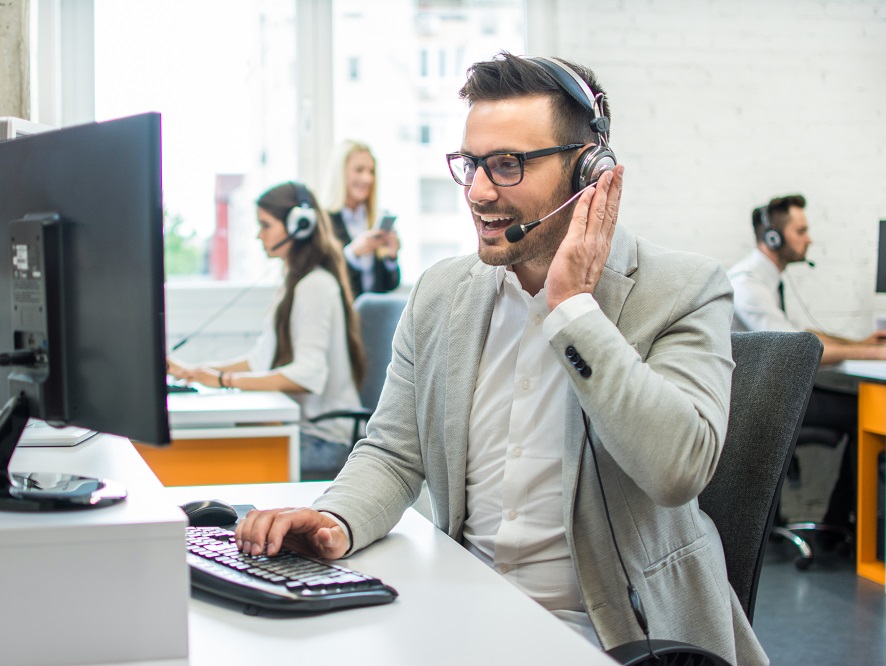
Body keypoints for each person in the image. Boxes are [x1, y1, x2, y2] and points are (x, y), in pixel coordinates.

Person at [236, 53, 767, 664]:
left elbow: (678, 470)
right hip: (459, 608)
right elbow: (391, 453)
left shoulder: (682, 290)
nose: (479, 192)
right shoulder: (441, 295)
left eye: (508, 164)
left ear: (589, 173)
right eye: (471, 164)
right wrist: (333, 521)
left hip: (615, 635)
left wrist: (573, 311)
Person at [167, 182, 366, 479]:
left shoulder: (315, 286)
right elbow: (261, 359)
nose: (259, 235)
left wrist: (224, 380)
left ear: (300, 226)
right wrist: (196, 372)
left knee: (219, 460)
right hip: (304, 430)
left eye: (265, 225)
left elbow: (306, 374)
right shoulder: (295, 283)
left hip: (325, 439)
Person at [729, 194, 886, 537]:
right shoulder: (747, 284)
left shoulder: (766, 280)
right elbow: (796, 349)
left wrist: (861, 344)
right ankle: (848, 524)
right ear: (774, 237)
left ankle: (838, 519)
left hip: (773, 393)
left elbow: (801, 332)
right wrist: (874, 356)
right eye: (801, 230)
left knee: (865, 407)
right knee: (865, 411)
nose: (809, 238)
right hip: (761, 404)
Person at [324, 140, 401, 298]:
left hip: (375, 316)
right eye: (359, 170)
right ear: (340, 173)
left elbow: (391, 284)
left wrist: (391, 257)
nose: (367, 179)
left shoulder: (375, 218)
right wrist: (353, 253)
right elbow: (325, 280)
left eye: (371, 171)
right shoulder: (324, 221)